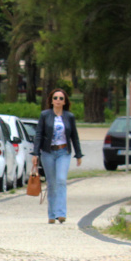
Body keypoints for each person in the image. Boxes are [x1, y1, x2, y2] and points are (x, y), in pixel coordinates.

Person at [33, 88, 83, 224]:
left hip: (63, 152)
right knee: (52, 183)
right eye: (55, 98)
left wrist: (78, 154)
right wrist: (35, 153)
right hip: (48, 152)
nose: (58, 100)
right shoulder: (45, 115)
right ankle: (52, 214)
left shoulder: (69, 116)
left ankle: (61, 213)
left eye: (61, 98)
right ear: (51, 100)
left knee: (61, 180)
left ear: (65, 101)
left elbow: (74, 136)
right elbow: (38, 134)